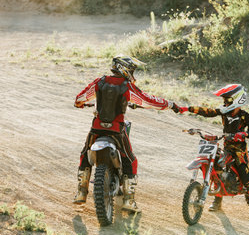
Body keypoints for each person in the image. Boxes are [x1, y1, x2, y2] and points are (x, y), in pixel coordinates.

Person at [73, 54, 181, 213]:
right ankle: (129, 201)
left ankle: (81, 192)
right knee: (130, 159)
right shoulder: (126, 86)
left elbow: (80, 98)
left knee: (84, 154)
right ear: (124, 68)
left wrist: (80, 104)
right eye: (132, 69)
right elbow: (147, 101)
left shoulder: (100, 81)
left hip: (97, 128)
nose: (133, 73)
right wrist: (169, 104)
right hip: (116, 130)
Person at [180, 84, 249, 219]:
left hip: (239, 152)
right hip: (227, 148)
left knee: (245, 176)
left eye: (228, 100)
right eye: (224, 100)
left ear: (237, 99)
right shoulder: (224, 112)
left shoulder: (245, 116)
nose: (224, 102)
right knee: (217, 169)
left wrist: (242, 135)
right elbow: (207, 111)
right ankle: (217, 200)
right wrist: (187, 108)